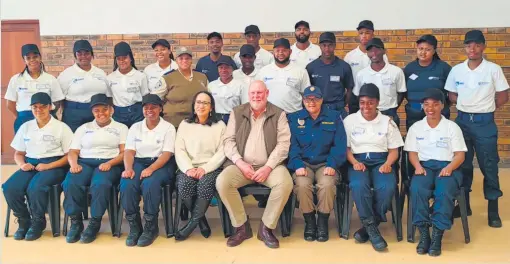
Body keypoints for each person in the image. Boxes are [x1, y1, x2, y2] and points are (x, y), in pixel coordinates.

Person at [216, 80, 292, 249]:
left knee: (285, 182)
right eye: (253, 93)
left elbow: (283, 144)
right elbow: (228, 141)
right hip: (242, 166)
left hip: (270, 167)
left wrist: (268, 167)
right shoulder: (237, 112)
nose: (256, 96)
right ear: (248, 95)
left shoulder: (278, 114)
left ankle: (266, 228)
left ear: (267, 94)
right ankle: (242, 227)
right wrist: (240, 163)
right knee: (223, 182)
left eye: (260, 93)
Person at [445, 30, 509, 228]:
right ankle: (464, 206)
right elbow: (451, 95)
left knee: (489, 165)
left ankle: (493, 211)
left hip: (484, 123)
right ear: (465, 48)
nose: (472, 49)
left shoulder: (493, 69)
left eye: (476, 45)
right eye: (468, 45)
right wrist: (468, 104)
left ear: (483, 46)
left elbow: (503, 95)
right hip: (462, 121)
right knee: (462, 165)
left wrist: (485, 107)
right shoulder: (457, 70)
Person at [404, 88, 467, 257]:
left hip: (447, 166)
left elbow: (460, 155)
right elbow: (412, 153)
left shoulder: (452, 127)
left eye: (435, 105)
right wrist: (417, 167)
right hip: (424, 166)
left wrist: (449, 168)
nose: (430, 108)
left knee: (444, 191)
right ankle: (424, 233)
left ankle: (438, 234)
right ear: (422, 106)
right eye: (426, 105)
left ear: (442, 106)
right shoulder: (416, 127)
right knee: (417, 189)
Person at [2, 93, 73, 241]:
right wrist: (22, 164)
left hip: (55, 164)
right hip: (30, 163)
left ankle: (38, 222)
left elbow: (69, 156)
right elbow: (19, 153)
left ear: (50, 107)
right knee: (9, 187)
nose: (39, 110)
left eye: (43, 106)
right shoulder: (26, 127)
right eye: (35, 107)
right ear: (31, 108)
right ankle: (23, 220)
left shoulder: (61, 127)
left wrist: (49, 166)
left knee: (35, 187)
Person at [343, 83, 403, 251]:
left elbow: (394, 150)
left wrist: (387, 164)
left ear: (377, 102)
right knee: (358, 185)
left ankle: (369, 227)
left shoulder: (387, 122)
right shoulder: (350, 121)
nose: (366, 106)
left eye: (370, 102)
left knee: (387, 186)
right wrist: (354, 162)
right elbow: (346, 149)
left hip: (381, 161)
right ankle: (373, 229)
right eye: (362, 102)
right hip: (357, 161)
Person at [62, 94, 128, 244]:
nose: (101, 113)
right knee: (70, 182)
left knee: (100, 184)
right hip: (84, 162)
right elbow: (73, 151)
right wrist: (73, 164)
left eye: (105, 109)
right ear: (92, 112)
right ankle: (76, 222)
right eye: (96, 110)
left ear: (112, 110)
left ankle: (94, 223)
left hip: (110, 163)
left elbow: (125, 152)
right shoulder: (83, 128)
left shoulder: (121, 128)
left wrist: (110, 163)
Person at [287, 86, 347, 242]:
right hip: (304, 164)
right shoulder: (295, 118)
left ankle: (322, 222)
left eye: (315, 99)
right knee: (301, 185)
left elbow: (340, 144)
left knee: (327, 185)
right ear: (303, 101)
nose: (311, 102)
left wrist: (332, 164)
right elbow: (291, 146)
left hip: (325, 163)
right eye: (308, 99)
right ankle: (310, 222)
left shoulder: (334, 117)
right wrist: (297, 164)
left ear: (321, 100)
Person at [120, 94, 177, 247]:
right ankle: (135, 227)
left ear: (160, 109)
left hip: (161, 163)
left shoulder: (168, 128)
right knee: (127, 183)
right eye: (146, 108)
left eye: (153, 107)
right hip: (138, 162)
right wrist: (128, 169)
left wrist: (151, 168)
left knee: (150, 183)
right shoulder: (135, 127)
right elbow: (129, 152)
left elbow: (167, 154)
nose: (149, 110)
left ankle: (151, 227)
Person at [174, 91, 226, 240]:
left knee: (205, 185)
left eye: (205, 103)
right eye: (198, 102)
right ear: (194, 105)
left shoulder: (220, 125)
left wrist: (205, 168)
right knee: (184, 185)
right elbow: (179, 149)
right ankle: (201, 221)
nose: (201, 106)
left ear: (211, 107)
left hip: (211, 168)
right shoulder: (185, 124)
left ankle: (191, 225)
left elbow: (222, 151)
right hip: (188, 167)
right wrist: (189, 168)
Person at [5, 44, 64, 133]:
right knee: (24, 146)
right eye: (28, 58)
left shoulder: (50, 79)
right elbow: (10, 104)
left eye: (35, 57)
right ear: (24, 60)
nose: (32, 60)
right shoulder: (16, 79)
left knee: (48, 145)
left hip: (46, 119)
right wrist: (21, 116)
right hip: (24, 119)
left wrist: (47, 113)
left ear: (40, 57)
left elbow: (57, 102)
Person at [58, 40, 111, 132]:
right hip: (74, 113)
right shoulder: (66, 74)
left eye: (87, 53)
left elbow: (108, 96)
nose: (83, 56)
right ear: (75, 55)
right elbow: (59, 98)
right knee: (74, 141)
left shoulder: (100, 73)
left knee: (96, 141)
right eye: (79, 54)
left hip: (97, 113)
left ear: (91, 54)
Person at [353, 38, 406, 126]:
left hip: (390, 113)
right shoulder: (361, 74)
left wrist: (393, 108)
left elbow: (401, 92)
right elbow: (357, 95)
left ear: (384, 51)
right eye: (370, 51)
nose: (374, 53)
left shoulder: (396, 71)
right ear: (367, 53)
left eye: (377, 50)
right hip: (368, 114)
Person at [404, 34, 452, 130]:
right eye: (420, 49)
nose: (423, 52)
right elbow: (403, 91)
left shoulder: (443, 68)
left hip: (437, 115)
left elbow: (451, 91)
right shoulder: (409, 68)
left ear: (434, 51)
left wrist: (440, 105)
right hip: (414, 115)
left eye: (427, 49)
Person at [306, 32, 354, 118]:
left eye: (330, 45)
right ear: (320, 46)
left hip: (338, 110)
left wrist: (341, 104)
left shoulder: (344, 66)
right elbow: (307, 91)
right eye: (324, 45)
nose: (327, 49)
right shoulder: (311, 67)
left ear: (335, 46)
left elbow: (349, 89)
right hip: (318, 109)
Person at [344, 20, 389, 114]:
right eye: (361, 33)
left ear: (373, 34)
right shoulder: (350, 56)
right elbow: (346, 79)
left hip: (374, 96)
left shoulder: (381, 55)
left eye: (367, 32)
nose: (364, 35)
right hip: (356, 96)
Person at [158, 47, 208, 128]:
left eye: (187, 58)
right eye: (181, 58)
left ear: (191, 60)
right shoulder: (167, 78)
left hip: (197, 123)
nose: (184, 61)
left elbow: (208, 98)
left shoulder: (202, 77)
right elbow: (156, 98)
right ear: (176, 61)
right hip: (173, 123)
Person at [257, 38, 311, 114]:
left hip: (294, 115)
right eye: (277, 50)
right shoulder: (263, 71)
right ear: (273, 52)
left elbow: (306, 95)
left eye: (284, 50)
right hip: (270, 116)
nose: (281, 53)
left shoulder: (301, 71)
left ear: (290, 52)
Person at [108, 41, 149, 127]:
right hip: (118, 114)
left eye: (125, 58)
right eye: (119, 58)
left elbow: (145, 97)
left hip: (137, 112)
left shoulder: (140, 76)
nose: (122, 61)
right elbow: (109, 98)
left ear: (131, 57)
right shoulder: (110, 78)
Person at [208, 56, 244, 123]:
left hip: (234, 119)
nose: (224, 70)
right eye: (221, 67)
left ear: (232, 69)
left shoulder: (240, 85)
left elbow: (244, 106)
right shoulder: (211, 85)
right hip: (216, 119)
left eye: (227, 67)